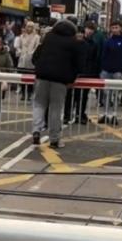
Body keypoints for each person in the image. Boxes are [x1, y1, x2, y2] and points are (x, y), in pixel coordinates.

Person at [32, 19, 86, 149]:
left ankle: (36, 131)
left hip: (42, 76)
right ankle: (54, 139)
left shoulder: (48, 38)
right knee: (56, 108)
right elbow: (79, 64)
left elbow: (35, 57)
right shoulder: (74, 43)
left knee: (39, 104)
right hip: (60, 80)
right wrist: (71, 79)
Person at [98, 21, 122, 125]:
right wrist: (102, 69)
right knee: (106, 94)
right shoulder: (107, 41)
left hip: (118, 72)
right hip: (106, 71)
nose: (114, 29)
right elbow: (103, 55)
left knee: (115, 94)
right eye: (113, 27)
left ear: (120, 29)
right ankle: (106, 114)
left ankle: (114, 114)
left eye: (116, 27)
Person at [64, 26, 90, 125]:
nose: (79, 34)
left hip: (84, 74)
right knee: (68, 96)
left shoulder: (88, 45)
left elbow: (90, 60)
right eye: (78, 33)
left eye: (81, 33)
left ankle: (80, 115)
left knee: (82, 96)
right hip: (70, 74)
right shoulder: (70, 45)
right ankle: (67, 115)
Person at [16, 21, 40, 101]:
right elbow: (18, 46)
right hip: (22, 59)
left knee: (30, 78)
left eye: (31, 26)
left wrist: (32, 53)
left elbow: (37, 47)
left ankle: (29, 93)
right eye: (28, 26)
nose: (29, 28)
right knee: (22, 77)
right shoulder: (22, 36)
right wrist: (19, 51)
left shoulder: (37, 37)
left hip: (31, 60)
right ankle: (23, 93)